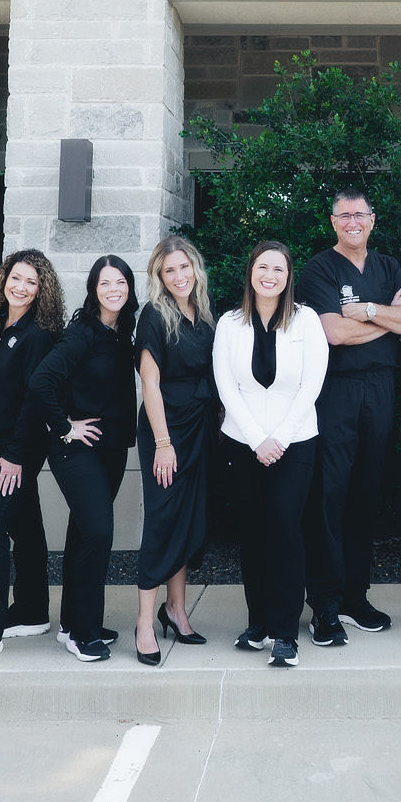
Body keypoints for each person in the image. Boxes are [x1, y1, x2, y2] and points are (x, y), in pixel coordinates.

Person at [297, 191, 401, 640]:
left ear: (373, 219)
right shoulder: (320, 269)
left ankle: (355, 596)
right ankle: (325, 605)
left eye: (360, 215)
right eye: (344, 215)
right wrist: (388, 318)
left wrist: (365, 313)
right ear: (333, 222)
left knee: (367, 494)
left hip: (383, 390)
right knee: (330, 497)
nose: (352, 222)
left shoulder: (387, 266)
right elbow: (331, 331)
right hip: (337, 394)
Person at [214, 239, 327, 669]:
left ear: (288, 277)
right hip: (243, 444)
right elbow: (226, 385)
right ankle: (257, 623)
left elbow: (312, 384)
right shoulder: (229, 323)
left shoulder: (307, 320)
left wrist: (277, 437)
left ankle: (285, 632)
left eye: (278, 269)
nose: (270, 276)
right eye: (263, 267)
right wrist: (257, 437)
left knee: (283, 528)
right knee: (252, 532)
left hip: (295, 441)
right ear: (251, 272)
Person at [29, 256, 139, 662]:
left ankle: (73, 623)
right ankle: (84, 634)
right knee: (97, 532)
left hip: (108, 450)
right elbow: (41, 381)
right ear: (94, 289)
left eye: (121, 281)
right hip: (75, 450)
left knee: (82, 535)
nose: (114, 289)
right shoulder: (82, 333)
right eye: (105, 282)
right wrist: (64, 426)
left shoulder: (121, 330)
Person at [0, 251, 63, 665]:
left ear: (43, 291)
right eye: (16, 278)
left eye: (31, 283)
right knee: (25, 526)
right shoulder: (0, 325)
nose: (21, 287)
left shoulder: (37, 334)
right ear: (4, 279)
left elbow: (34, 399)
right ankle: (32, 609)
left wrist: (16, 455)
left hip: (15, 451)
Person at [132, 236, 218, 666]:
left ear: (195, 269)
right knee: (164, 521)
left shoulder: (203, 312)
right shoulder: (153, 316)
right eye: (170, 271)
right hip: (166, 431)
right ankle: (145, 622)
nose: (179, 276)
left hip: (200, 429)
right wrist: (163, 444)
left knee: (188, 522)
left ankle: (176, 609)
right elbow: (149, 383)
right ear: (160, 277)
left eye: (184, 268)